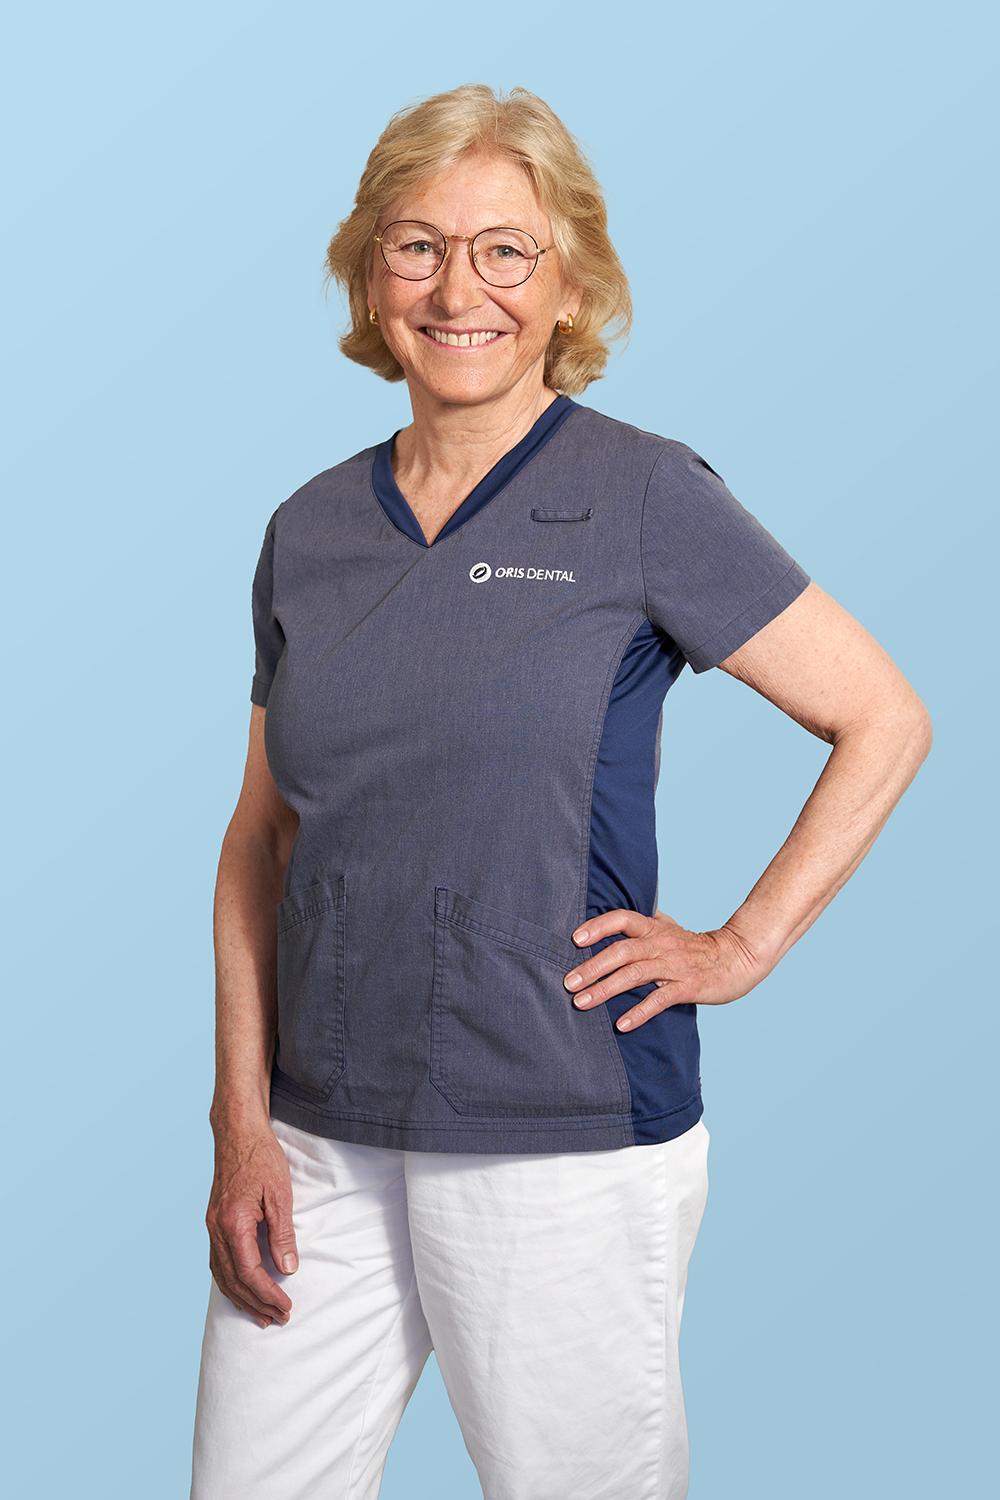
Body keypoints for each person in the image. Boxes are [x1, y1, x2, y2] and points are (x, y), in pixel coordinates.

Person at [189, 83, 932, 1500]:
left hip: (557, 1124)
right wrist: (241, 1124)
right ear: (369, 276)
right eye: (416, 246)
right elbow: (259, 840)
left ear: (569, 283)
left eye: (505, 251)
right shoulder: (309, 528)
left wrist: (743, 946)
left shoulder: (646, 496)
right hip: (318, 1136)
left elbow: (883, 718)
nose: (457, 289)